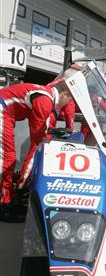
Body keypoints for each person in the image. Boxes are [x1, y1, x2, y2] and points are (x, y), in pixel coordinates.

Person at [0, 80, 72, 220]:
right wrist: (45, 138)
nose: (68, 103)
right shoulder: (46, 100)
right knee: (8, 158)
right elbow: (37, 137)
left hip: (6, 111)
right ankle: (5, 204)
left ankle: (8, 196)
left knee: (9, 157)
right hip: (3, 111)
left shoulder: (46, 94)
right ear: (64, 94)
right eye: (70, 99)